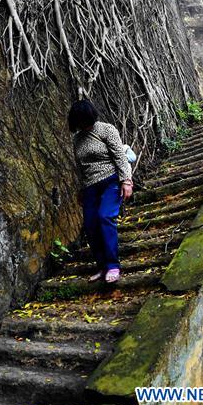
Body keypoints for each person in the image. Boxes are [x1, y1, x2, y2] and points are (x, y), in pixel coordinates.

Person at [69, 98, 133, 283]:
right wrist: (81, 189)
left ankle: (113, 265)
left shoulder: (106, 129)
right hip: (90, 186)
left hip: (111, 180)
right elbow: (80, 166)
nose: (82, 124)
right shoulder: (77, 139)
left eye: (84, 119)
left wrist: (126, 181)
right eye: (78, 121)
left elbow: (120, 157)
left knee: (105, 216)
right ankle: (102, 266)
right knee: (90, 225)